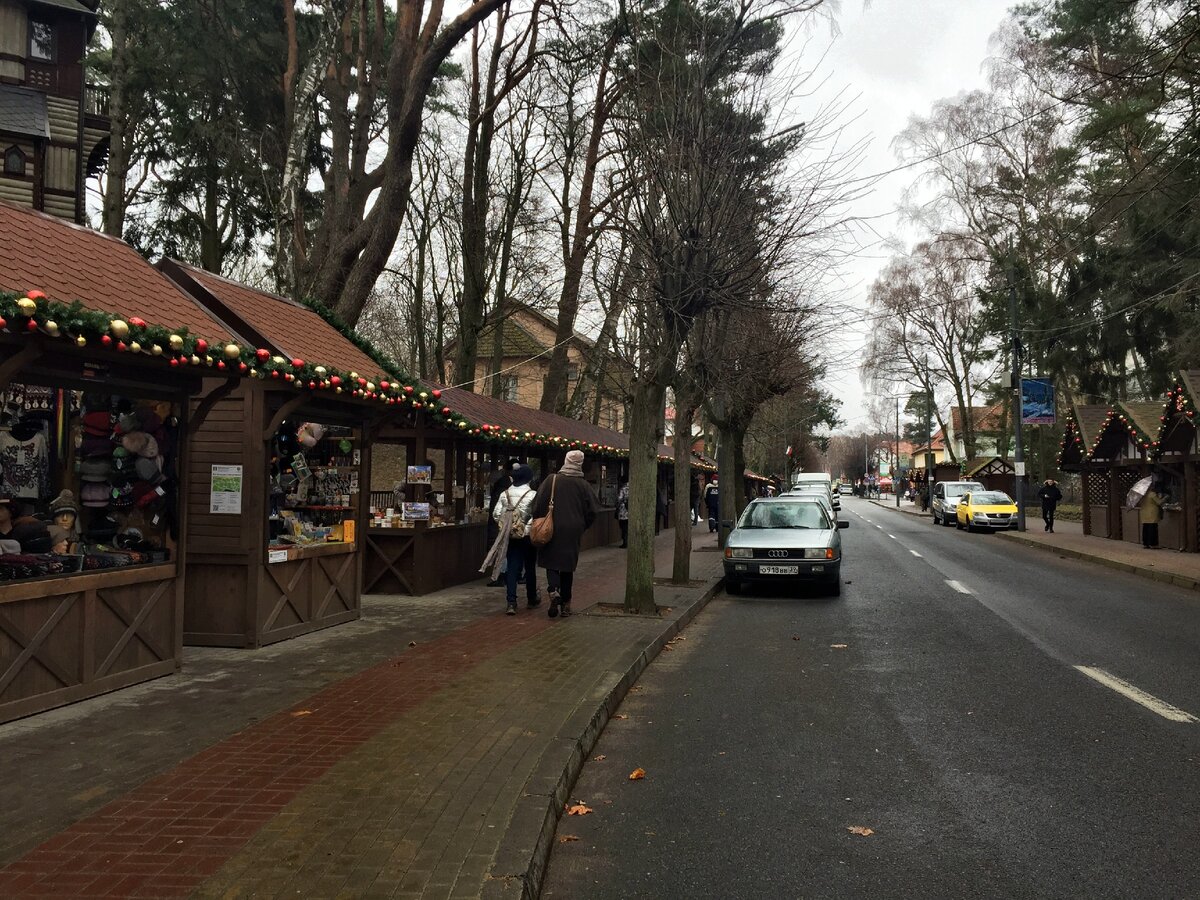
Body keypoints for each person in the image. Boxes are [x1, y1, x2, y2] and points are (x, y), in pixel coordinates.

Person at [532, 450, 597, 618]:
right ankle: (566, 605)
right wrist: (582, 525)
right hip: (573, 530)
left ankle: (554, 590)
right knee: (567, 567)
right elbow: (592, 511)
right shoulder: (584, 486)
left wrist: (539, 520)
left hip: (551, 527)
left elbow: (537, 503)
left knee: (551, 561)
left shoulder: (551, 480)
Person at [494, 464, 539, 614]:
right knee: (530, 567)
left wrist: (507, 526)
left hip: (510, 535)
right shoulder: (533, 495)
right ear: (528, 478)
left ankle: (511, 602)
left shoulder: (504, 494)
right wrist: (526, 528)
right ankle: (531, 598)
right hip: (527, 536)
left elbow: (496, 514)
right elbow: (536, 516)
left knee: (512, 567)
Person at [485, 459, 520, 586]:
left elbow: (496, 509)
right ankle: (514, 574)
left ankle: (501, 576)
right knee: (511, 549)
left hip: (502, 522)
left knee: (502, 549)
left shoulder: (501, 486)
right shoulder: (519, 484)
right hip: (515, 522)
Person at [1139, 480, 1168, 549]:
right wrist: (1165, 498)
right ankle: (1153, 544)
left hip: (1144, 513)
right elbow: (1159, 502)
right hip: (1152, 514)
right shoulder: (1152, 494)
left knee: (1145, 528)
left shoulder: (1142, 495)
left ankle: (1145, 543)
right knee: (1153, 529)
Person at [616, 476, 630, 548]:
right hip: (631, 511)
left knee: (624, 527)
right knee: (628, 527)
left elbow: (619, 499)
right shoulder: (633, 487)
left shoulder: (623, 489)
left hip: (623, 511)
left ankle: (625, 542)